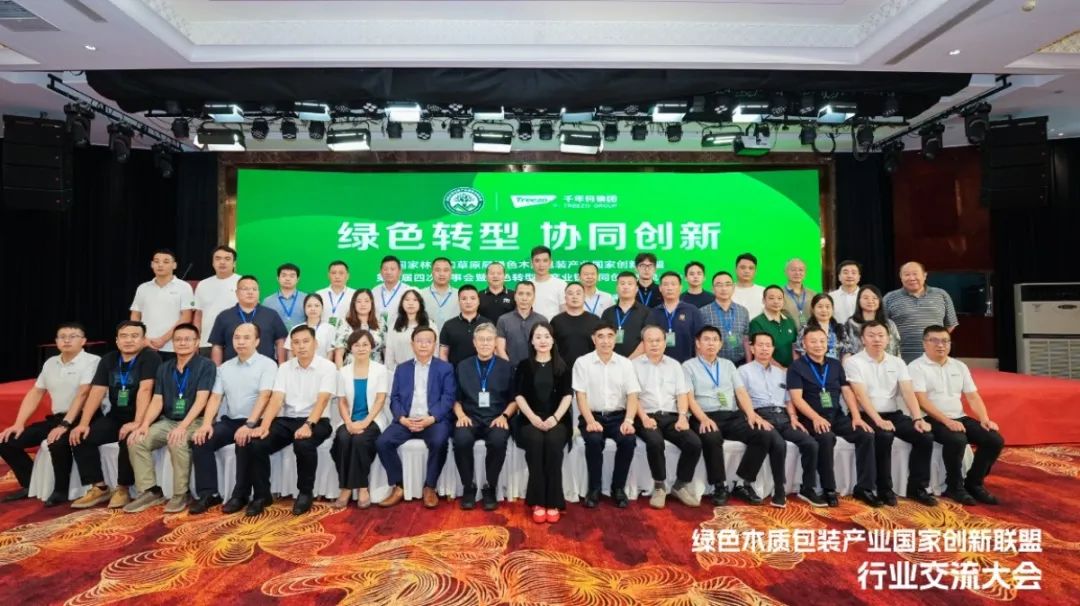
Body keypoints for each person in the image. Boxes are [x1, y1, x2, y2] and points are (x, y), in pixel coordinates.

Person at [230, 325, 336, 516]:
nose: (301, 346)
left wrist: (308, 425)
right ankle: (262, 495)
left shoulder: (327, 367)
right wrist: (264, 426)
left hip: (317, 420)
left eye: (306, 341)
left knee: (303, 443)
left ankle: (305, 493)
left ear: (315, 344)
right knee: (256, 442)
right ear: (291, 346)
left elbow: (323, 400)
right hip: (287, 420)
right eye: (296, 343)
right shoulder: (285, 368)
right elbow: (277, 399)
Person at [0, 323, 99, 506]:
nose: (67, 340)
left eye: (73, 336)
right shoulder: (50, 363)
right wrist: (18, 423)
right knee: (7, 441)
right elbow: (36, 392)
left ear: (83, 341)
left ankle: (61, 490)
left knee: (57, 442)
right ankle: (30, 483)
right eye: (62, 337)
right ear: (56, 341)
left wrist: (65, 425)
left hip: (85, 417)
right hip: (57, 418)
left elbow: (83, 394)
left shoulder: (93, 361)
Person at [684, 326, 782, 507]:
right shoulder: (688, 366)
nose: (711, 343)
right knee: (711, 437)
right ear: (698, 343)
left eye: (715, 340)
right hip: (704, 415)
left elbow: (741, 392)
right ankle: (719, 486)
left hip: (731, 415)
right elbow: (689, 398)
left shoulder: (728, 365)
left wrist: (752, 415)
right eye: (706, 339)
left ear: (721, 344)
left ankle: (743, 483)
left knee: (763, 434)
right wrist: (703, 419)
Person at [844, 321, 938, 507]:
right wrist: (878, 420)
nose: (877, 339)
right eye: (871, 335)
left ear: (888, 339)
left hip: (893, 414)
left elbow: (908, 392)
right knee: (884, 435)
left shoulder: (897, 362)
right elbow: (860, 395)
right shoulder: (854, 362)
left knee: (925, 436)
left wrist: (917, 418)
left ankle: (917, 488)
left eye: (881, 335)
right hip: (867, 415)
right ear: (863, 339)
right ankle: (884, 488)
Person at [124, 323, 216, 514]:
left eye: (187, 339)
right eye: (178, 339)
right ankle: (150, 490)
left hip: (195, 421)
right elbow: (157, 400)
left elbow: (202, 400)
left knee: (177, 440)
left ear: (197, 342)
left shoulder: (206, 365)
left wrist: (183, 427)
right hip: (168, 420)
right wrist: (144, 425)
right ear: (173, 343)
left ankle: (181, 494)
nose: (182, 343)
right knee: (137, 440)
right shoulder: (165, 367)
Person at [69, 321, 161, 510]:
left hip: (145, 417)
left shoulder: (150, 357)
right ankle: (99, 487)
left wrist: (137, 422)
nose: (129, 340)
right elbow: (97, 391)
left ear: (143, 340)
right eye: (124, 336)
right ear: (117, 341)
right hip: (116, 416)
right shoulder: (109, 359)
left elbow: (145, 389)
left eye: (134, 336)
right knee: (81, 436)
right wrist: (84, 423)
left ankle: (122, 488)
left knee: (129, 439)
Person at [908, 325, 1004, 506]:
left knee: (994, 440)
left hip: (959, 416)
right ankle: (954, 486)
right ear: (924, 343)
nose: (940, 345)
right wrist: (947, 421)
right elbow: (921, 401)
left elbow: (972, 396)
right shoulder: (916, 367)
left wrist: (984, 419)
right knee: (957, 439)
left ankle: (974, 483)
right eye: (934, 341)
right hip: (931, 418)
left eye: (945, 341)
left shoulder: (959, 366)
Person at [189, 323, 278, 514]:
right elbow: (215, 398)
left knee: (245, 441)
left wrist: (249, 424)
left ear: (257, 341)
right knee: (201, 440)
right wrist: (206, 424)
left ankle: (241, 495)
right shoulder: (225, 368)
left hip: (256, 421)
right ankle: (209, 494)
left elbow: (265, 396)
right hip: (231, 421)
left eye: (246, 337)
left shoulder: (268, 364)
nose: (241, 342)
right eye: (237, 337)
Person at [788, 326, 880, 508]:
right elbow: (797, 399)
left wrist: (856, 417)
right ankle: (828, 488)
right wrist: (815, 417)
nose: (818, 345)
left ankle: (865, 488)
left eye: (822, 341)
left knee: (866, 435)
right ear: (804, 344)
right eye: (813, 341)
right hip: (811, 417)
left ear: (828, 343)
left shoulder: (835, 364)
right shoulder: (796, 367)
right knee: (826, 437)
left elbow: (847, 391)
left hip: (837, 416)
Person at [739, 332, 827, 507]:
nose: (764, 349)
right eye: (760, 345)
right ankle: (779, 490)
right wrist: (755, 417)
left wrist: (793, 418)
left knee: (810, 443)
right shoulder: (743, 371)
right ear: (752, 348)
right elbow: (741, 399)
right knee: (778, 444)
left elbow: (788, 399)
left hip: (783, 417)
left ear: (773, 349)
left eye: (768, 345)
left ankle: (807, 488)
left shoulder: (781, 373)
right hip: (760, 415)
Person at [375, 326, 456, 508]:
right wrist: (402, 418)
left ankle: (430, 487)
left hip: (433, 420)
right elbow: (395, 398)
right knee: (382, 442)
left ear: (434, 345)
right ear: (412, 344)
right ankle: (399, 486)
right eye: (419, 341)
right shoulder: (402, 368)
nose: (423, 345)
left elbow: (448, 398)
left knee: (439, 441)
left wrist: (431, 418)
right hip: (406, 420)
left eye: (428, 341)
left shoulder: (445, 368)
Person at [573, 322, 641, 508]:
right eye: (600, 336)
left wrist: (629, 420)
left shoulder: (625, 363)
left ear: (615, 338)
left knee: (628, 440)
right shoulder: (582, 362)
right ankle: (594, 488)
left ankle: (618, 488)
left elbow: (632, 395)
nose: (605, 341)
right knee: (594, 440)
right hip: (592, 415)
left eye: (610, 336)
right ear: (593, 339)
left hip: (618, 417)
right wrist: (590, 421)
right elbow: (580, 395)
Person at [632, 326, 701, 509]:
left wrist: (683, 417)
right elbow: (632, 397)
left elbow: (681, 394)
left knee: (694, 443)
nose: (654, 344)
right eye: (650, 341)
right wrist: (644, 418)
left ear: (665, 342)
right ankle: (659, 486)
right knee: (655, 442)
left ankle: (680, 485)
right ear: (643, 343)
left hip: (671, 417)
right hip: (646, 415)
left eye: (658, 340)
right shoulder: (634, 365)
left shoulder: (674, 365)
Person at [512, 322, 573, 523]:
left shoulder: (562, 366)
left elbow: (567, 396)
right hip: (530, 419)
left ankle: (553, 501)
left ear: (553, 340)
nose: (542, 340)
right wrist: (533, 418)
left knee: (554, 443)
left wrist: (555, 418)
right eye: (538, 337)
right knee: (536, 442)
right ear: (531, 341)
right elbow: (519, 396)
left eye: (546, 336)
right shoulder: (524, 366)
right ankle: (537, 501)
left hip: (558, 419)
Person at [452, 323, 515, 510]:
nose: (485, 343)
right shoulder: (463, 366)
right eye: (481, 339)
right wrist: (461, 415)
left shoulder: (507, 367)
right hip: (469, 417)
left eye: (489, 339)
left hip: (496, 417)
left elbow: (515, 400)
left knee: (498, 441)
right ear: (474, 342)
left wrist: (504, 416)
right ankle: (468, 487)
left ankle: (490, 487)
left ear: (495, 342)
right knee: (461, 440)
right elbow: (455, 399)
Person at [330, 329, 389, 509]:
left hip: (373, 419)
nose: (361, 348)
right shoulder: (343, 372)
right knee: (343, 438)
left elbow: (380, 400)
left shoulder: (380, 370)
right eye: (357, 345)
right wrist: (349, 423)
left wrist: (365, 422)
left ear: (372, 347)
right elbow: (342, 402)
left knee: (360, 440)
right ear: (350, 348)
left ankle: (361, 488)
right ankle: (346, 488)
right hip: (349, 419)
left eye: (365, 344)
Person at [884, 262, 959, 363]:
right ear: (901, 277)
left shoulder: (941, 295)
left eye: (915, 274)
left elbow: (950, 325)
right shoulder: (889, 298)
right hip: (902, 359)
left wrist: (934, 340)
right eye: (907, 274)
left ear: (924, 275)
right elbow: (883, 327)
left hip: (935, 357)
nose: (911, 278)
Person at [129, 248, 195, 360]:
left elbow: (186, 317)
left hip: (172, 347)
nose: (160, 265)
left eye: (166, 262)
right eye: (156, 261)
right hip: (145, 345)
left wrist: (163, 339)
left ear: (174, 265)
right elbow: (135, 315)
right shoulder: (143, 288)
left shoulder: (184, 287)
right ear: (152, 264)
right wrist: (143, 338)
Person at [209, 275, 287, 365]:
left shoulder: (271, 315)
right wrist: (217, 369)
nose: (250, 292)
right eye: (245, 289)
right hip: (233, 368)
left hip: (265, 368)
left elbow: (280, 341)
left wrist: (281, 366)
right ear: (237, 293)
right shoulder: (224, 316)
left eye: (254, 289)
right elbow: (217, 346)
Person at [193, 246, 240, 356]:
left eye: (227, 259)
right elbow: (198, 315)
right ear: (213, 263)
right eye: (218, 258)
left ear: (234, 263)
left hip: (236, 342)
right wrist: (195, 339)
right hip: (206, 342)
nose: (222, 262)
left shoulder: (242, 282)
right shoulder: (203, 284)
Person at [649, 271, 704, 363]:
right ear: (660, 288)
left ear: (680, 288)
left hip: (687, 364)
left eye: (673, 284)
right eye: (666, 284)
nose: (669, 288)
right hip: (659, 364)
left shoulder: (692, 311)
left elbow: (700, 340)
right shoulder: (653, 313)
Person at [699, 271, 751, 367]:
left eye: (728, 284)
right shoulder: (703, 312)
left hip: (740, 363)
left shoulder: (743, 311)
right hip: (713, 364)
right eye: (719, 285)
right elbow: (699, 341)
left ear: (733, 288)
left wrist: (749, 364)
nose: (724, 288)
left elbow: (746, 339)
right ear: (712, 289)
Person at [384, 289, 437, 374]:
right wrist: (393, 372)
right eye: (407, 299)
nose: (411, 303)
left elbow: (435, 351)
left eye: (415, 300)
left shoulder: (430, 325)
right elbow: (389, 354)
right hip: (400, 372)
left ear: (420, 303)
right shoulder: (394, 326)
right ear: (402, 303)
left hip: (425, 372)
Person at [600, 271, 651, 359]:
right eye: (622, 283)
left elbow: (648, 339)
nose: (626, 287)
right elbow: (602, 338)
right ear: (617, 288)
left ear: (636, 289)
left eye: (630, 284)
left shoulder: (646, 312)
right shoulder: (607, 313)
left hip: (638, 362)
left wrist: (629, 361)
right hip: (612, 362)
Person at [550, 282, 601, 370]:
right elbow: (551, 348)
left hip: (589, 370)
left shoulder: (595, 320)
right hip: (563, 371)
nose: (574, 296)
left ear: (584, 297)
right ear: (565, 298)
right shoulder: (556, 321)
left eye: (578, 293)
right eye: (570, 293)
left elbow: (600, 346)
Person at [495, 281, 546, 369]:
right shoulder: (503, 320)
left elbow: (545, 348)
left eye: (528, 294)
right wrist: (510, 368)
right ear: (515, 296)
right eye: (520, 294)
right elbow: (500, 349)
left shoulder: (542, 320)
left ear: (534, 297)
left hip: (536, 370)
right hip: (510, 370)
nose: (524, 298)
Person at [843, 285, 902, 357]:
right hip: (858, 363)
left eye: (874, 298)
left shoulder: (889, 324)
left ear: (879, 301)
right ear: (858, 300)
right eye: (866, 298)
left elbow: (896, 349)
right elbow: (846, 350)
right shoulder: (850, 324)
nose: (870, 301)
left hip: (886, 363)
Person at [439, 285, 490, 367]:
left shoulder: (488, 324)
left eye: (473, 298)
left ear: (478, 301)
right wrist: (448, 372)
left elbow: (494, 351)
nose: (468, 302)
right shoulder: (449, 325)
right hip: (455, 372)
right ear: (458, 302)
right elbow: (443, 353)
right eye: (464, 299)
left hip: (483, 372)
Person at [748, 286, 798, 368]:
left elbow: (795, 346)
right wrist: (781, 369)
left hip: (791, 369)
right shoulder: (757, 322)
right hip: (768, 369)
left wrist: (794, 367)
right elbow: (760, 352)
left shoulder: (789, 321)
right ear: (764, 300)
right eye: (771, 298)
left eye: (779, 298)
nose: (776, 301)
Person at [795, 294, 853, 362]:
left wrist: (842, 367)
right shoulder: (805, 329)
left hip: (837, 366)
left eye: (828, 307)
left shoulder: (840, 328)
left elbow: (847, 351)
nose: (824, 310)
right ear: (813, 309)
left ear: (832, 309)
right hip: (811, 366)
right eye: (820, 307)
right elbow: (801, 352)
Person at [333, 289, 384, 367]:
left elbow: (386, 351)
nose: (363, 304)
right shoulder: (345, 323)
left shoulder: (381, 323)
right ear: (354, 304)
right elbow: (339, 354)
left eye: (366, 301)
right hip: (351, 368)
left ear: (372, 303)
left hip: (376, 368)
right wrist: (340, 373)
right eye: (359, 301)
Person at [285, 294, 337, 361]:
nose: (313, 309)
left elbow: (330, 353)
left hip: (322, 366)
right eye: (309, 306)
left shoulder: (329, 328)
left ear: (322, 308)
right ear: (304, 308)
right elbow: (290, 353)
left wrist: (325, 367)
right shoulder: (296, 329)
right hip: (299, 366)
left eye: (316, 306)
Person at [263, 262, 306, 331]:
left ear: (298, 279)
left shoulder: (306, 299)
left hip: (301, 337)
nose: (287, 279)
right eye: (284, 275)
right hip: (276, 337)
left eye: (292, 276)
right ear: (278, 278)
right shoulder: (268, 301)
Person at [420, 257, 460, 328]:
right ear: (432, 272)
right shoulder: (421, 294)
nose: (442, 274)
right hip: (427, 334)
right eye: (437, 270)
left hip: (454, 334)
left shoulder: (459, 295)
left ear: (451, 272)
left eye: (446, 270)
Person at [529, 246, 567, 320]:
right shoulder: (527, 285)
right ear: (532, 263)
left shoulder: (561, 284)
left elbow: (564, 312)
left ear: (550, 262)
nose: (541, 265)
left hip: (554, 326)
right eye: (537, 261)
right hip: (531, 326)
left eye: (545, 260)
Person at [374, 255, 413, 327]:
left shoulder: (408, 291)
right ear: (381, 272)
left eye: (392, 269)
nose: (388, 272)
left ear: (400, 272)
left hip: (401, 330)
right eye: (385, 269)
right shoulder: (374, 291)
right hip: (377, 331)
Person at [317, 260, 356, 329]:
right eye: (333, 273)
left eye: (341, 273)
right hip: (323, 333)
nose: (337, 276)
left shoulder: (355, 295)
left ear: (347, 276)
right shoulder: (319, 294)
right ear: (328, 275)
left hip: (347, 333)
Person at [782, 258, 816, 327]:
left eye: (801, 270)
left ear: (805, 273)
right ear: (785, 272)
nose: (797, 273)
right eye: (793, 270)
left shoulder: (813, 294)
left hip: (810, 332)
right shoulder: (779, 294)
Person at [732, 253, 765, 319]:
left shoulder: (764, 291)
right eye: (743, 267)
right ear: (735, 269)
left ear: (755, 271)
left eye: (751, 268)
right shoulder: (726, 291)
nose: (747, 271)